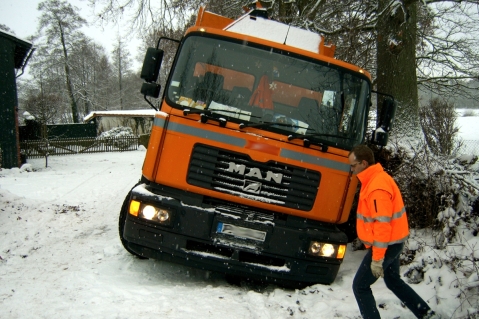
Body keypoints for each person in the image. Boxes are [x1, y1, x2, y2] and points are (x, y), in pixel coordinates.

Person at [348, 145, 438, 319]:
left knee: (360, 286)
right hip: (393, 242)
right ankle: (426, 314)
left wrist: (377, 258)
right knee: (393, 281)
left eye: (353, 165)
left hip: (386, 245)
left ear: (364, 163)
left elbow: (382, 224)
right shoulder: (375, 179)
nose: (351, 169)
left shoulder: (377, 187)